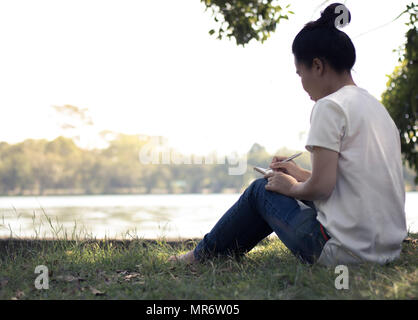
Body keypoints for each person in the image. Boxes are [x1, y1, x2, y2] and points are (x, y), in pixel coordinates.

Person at [168, 3, 407, 266]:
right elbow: (346, 184)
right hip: (386, 251)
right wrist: (298, 174)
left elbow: (322, 187)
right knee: (275, 184)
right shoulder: (377, 109)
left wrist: (291, 187)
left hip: (341, 253)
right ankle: (218, 255)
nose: (302, 83)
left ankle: (200, 257)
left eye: (300, 73)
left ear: (317, 66)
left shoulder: (329, 106)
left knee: (261, 190)